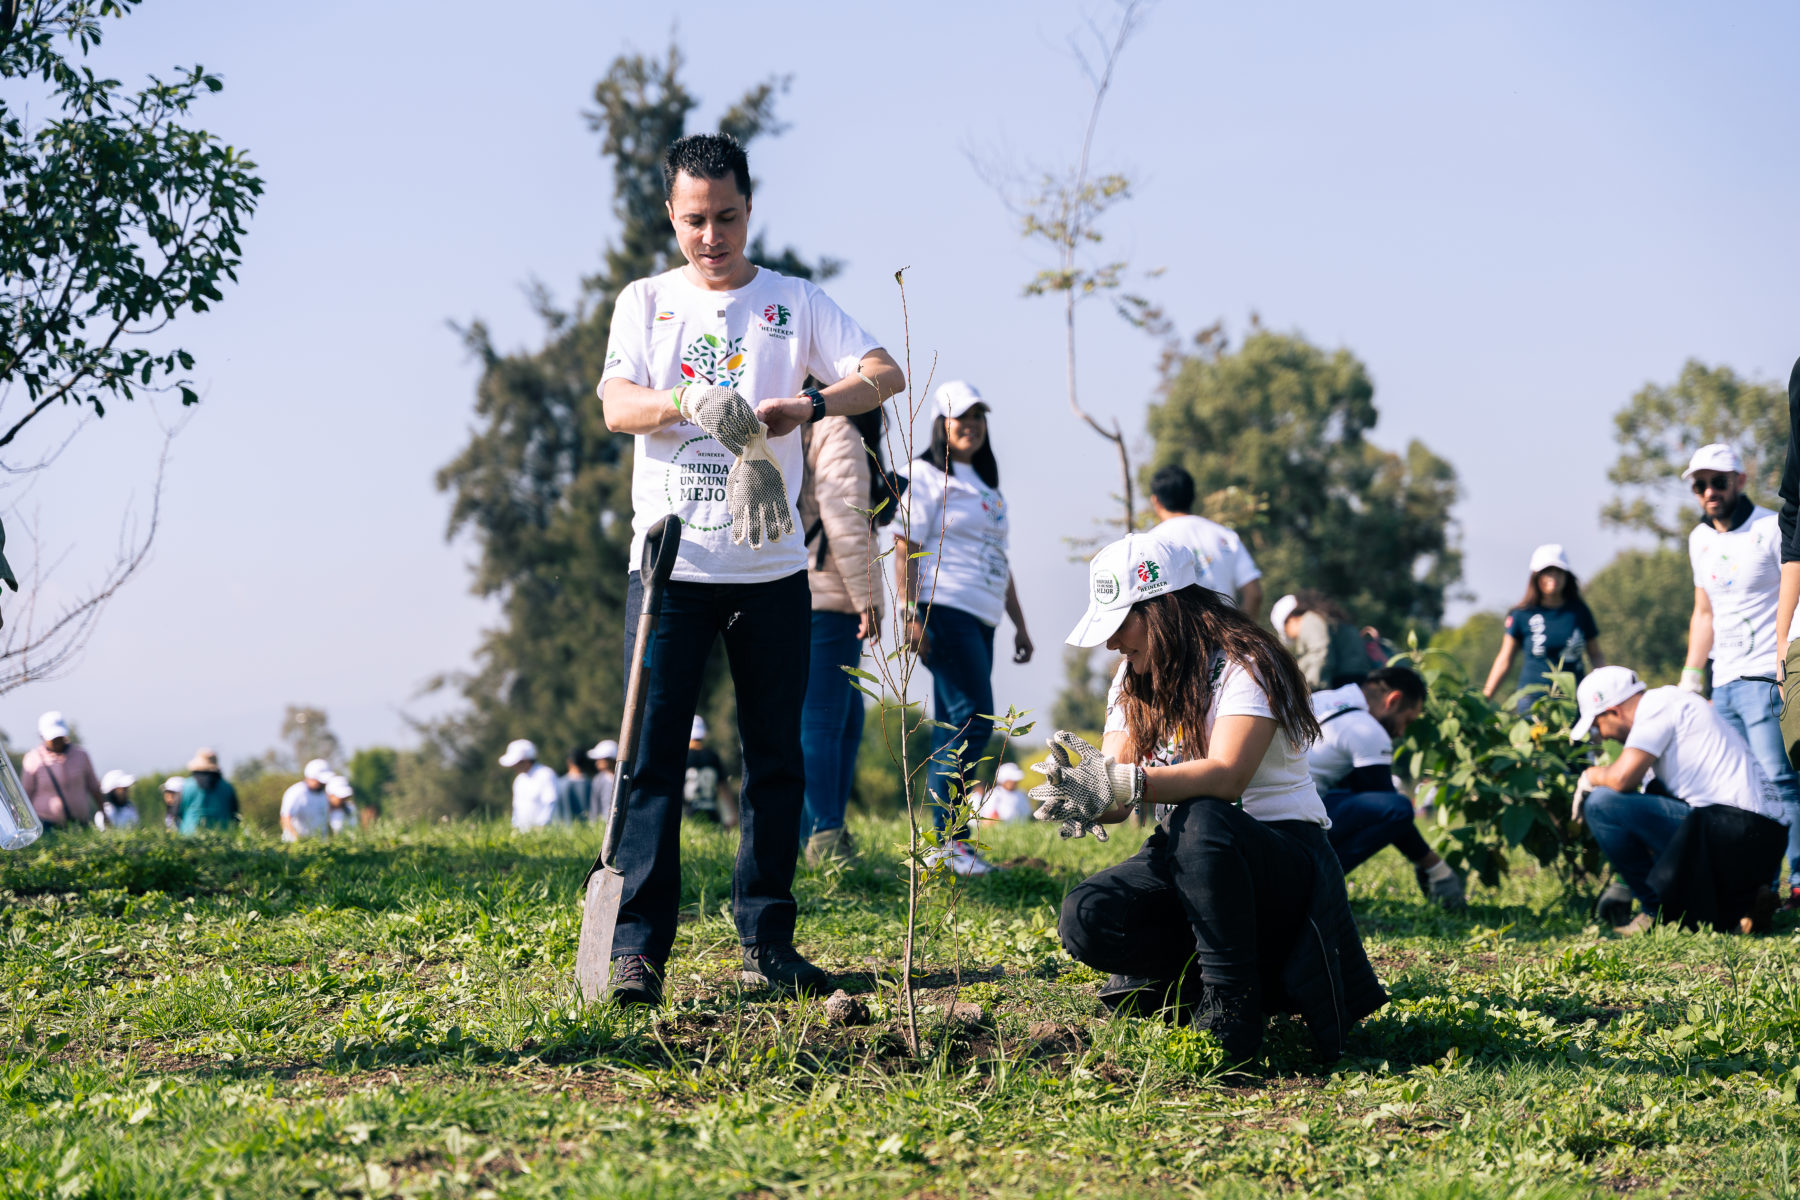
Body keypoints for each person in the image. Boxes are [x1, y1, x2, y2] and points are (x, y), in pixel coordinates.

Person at [595, 131, 905, 1005]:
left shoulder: (796, 302)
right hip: (669, 570)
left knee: (775, 760)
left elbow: (884, 374)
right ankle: (636, 950)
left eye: (726, 217)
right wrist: (684, 399)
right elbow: (617, 404)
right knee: (651, 762)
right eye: (694, 220)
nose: (711, 236)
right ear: (671, 216)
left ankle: (767, 939)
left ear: (749, 207)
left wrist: (809, 403)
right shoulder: (646, 302)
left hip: (770, 573)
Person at [1041, 533, 1386, 1065]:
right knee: (1086, 914)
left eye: (1120, 625)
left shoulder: (1248, 663)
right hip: (1196, 857)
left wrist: (1130, 782)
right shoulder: (1132, 676)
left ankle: (1233, 1010)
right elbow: (1117, 789)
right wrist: (1086, 791)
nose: (1111, 644)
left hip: (1281, 861)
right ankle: (1195, 991)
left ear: (1162, 610)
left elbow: (1227, 777)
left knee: (1203, 816)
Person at [896, 380, 1034, 877]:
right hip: (945, 608)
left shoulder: (987, 487)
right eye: (961, 417)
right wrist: (911, 612)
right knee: (970, 719)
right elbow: (904, 543)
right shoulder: (927, 476)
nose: (971, 425)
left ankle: (950, 840)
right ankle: (945, 840)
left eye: (978, 416)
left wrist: (1019, 624)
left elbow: (1000, 560)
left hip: (983, 616)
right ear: (942, 424)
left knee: (964, 722)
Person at [1572, 665, 1788, 935]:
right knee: (1652, 793)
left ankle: (1657, 912)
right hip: (1762, 838)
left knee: (1603, 804)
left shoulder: (1657, 705)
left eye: (1597, 725)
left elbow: (1620, 779)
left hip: (1733, 829)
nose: (1602, 735)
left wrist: (1590, 776)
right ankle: (1740, 907)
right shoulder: (1677, 706)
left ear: (1613, 711)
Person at [1679, 443, 1800, 904]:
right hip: (1723, 681)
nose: (1710, 491)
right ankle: (1756, 887)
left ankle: (1797, 882)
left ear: (1740, 481)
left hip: (1764, 676)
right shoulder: (1699, 540)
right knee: (1736, 788)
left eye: (1719, 481)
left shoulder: (1771, 527)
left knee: (1779, 779)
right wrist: (1692, 675)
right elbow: (1703, 612)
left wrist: (1787, 662)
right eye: (1700, 484)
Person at [797, 405, 885, 867]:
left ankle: (814, 831)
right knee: (826, 719)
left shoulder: (818, 424)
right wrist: (868, 595)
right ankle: (824, 839)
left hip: (815, 587)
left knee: (843, 717)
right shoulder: (839, 428)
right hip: (828, 592)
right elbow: (846, 518)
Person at [1307, 667, 1464, 908]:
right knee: (1399, 807)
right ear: (1394, 700)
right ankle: (1313, 886)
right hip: (1288, 824)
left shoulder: (1324, 700)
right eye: (1407, 721)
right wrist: (1436, 867)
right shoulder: (1366, 728)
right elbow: (1389, 808)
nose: (1401, 732)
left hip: (1257, 816)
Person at [1481, 544, 1604, 710]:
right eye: (1547, 571)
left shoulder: (1579, 612)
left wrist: (1606, 689)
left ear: (1566, 576)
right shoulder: (1521, 614)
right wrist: (1484, 698)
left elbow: (1595, 654)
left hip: (1573, 701)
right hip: (1533, 702)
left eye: (1558, 571)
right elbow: (1504, 659)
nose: (1553, 577)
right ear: (1536, 576)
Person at [1146, 464, 1264, 613]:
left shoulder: (1152, 543)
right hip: (1226, 631)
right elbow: (1254, 594)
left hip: (1180, 635)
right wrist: (1239, 633)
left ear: (1156, 501)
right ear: (1192, 496)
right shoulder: (1225, 535)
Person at [21, 710, 103, 831]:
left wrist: (104, 813)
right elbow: (25, 795)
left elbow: (94, 788)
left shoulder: (81, 755)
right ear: (42, 736)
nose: (57, 741)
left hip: (80, 825)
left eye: (59, 737)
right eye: (53, 738)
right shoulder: (33, 759)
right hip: (47, 827)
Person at [501, 740, 558, 832]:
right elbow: (517, 808)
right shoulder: (519, 780)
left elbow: (551, 803)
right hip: (524, 833)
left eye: (516, 763)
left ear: (526, 761)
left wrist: (542, 826)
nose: (513, 766)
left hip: (545, 831)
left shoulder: (546, 774)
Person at [176, 749, 238, 833]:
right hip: (221, 838)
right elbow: (235, 815)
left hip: (189, 837)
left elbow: (176, 813)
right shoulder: (227, 787)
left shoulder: (186, 786)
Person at [279, 759, 333, 843]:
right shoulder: (297, 792)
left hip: (318, 845)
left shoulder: (323, 794)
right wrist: (298, 841)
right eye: (319, 781)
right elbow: (285, 819)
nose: (323, 783)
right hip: (295, 846)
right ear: (310, 777)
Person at [559, 747, 594, 824]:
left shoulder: (561, 784)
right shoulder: (591, 783)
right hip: (590, 830)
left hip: (565, 830)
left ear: (569, 761)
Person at [587, 739, 618, 825]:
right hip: (604, 825)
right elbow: (595, 806)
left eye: (600, 759)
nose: (597, 763)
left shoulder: (625, 777)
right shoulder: (598, 779)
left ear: (610, 759)